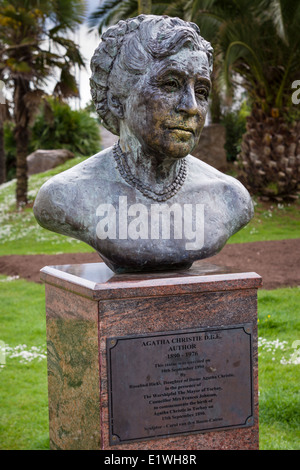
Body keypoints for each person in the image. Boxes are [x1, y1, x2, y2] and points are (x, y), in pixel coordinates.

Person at [33, 15, 253, 273]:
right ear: (118, 100)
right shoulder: (65, 196)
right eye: (171, 84)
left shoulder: (229, 198)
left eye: (202, 91)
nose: (191, 107)